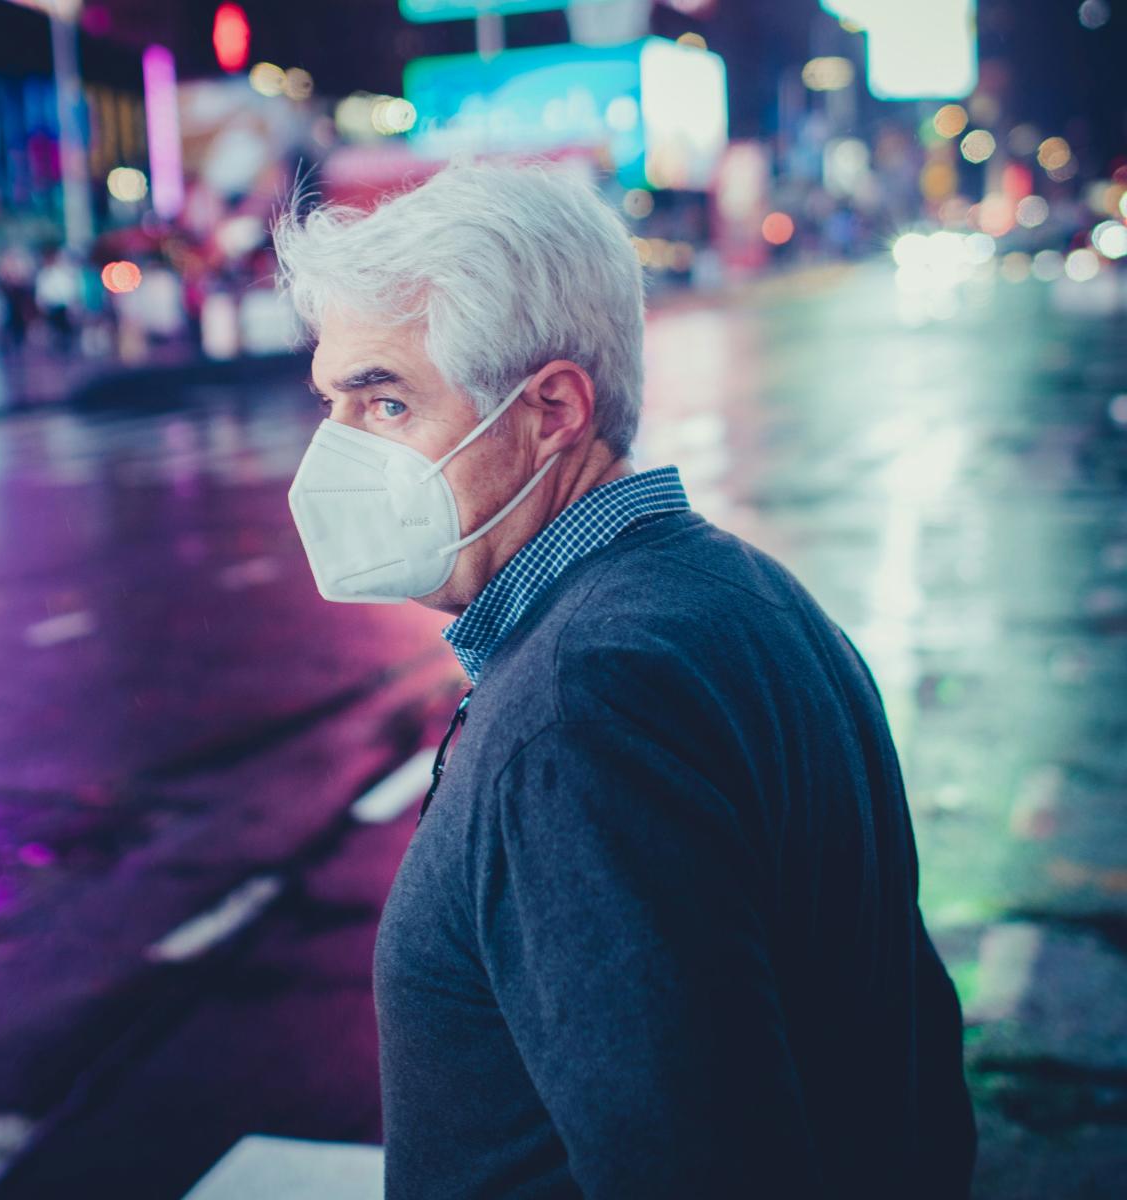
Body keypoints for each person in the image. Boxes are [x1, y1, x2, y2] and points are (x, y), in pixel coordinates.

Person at [274, 161, 977, 1199]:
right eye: (332, 401)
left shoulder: (577, 717)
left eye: (385, 403)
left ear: (553, 406)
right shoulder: (751, 598)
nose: (334, 454)